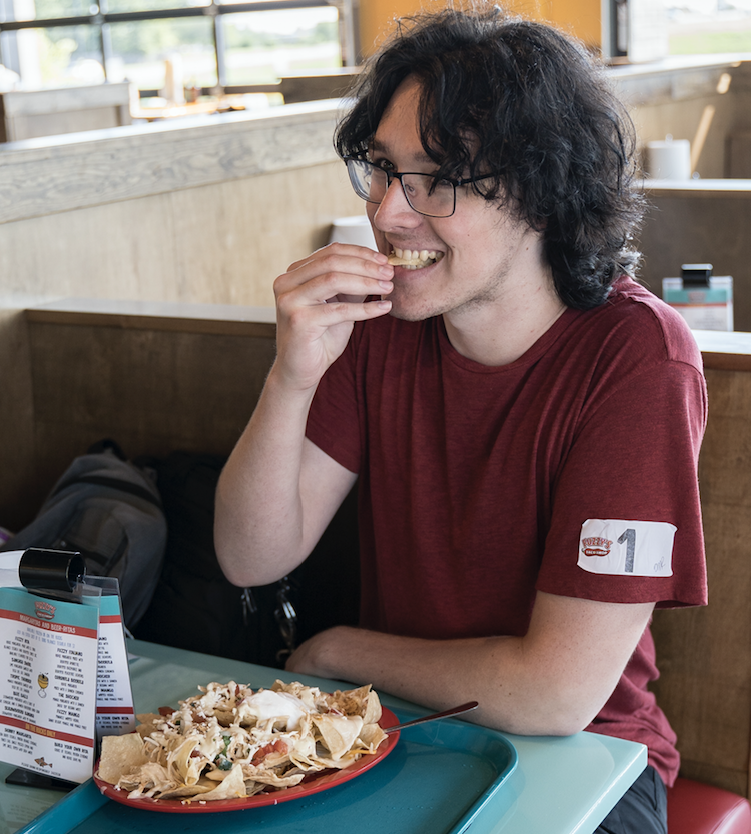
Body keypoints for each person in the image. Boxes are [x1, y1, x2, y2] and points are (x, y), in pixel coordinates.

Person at [214, 6, 708, 832]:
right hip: (386, 734)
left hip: (593, 764)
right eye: (379, 168)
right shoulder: (381, 327)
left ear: (543, 192)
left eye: (435, 179)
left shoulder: (636, 357)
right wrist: (292, 375)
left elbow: (555, 693)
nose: (387, 210)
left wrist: (338, 653)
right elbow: (250, 554)